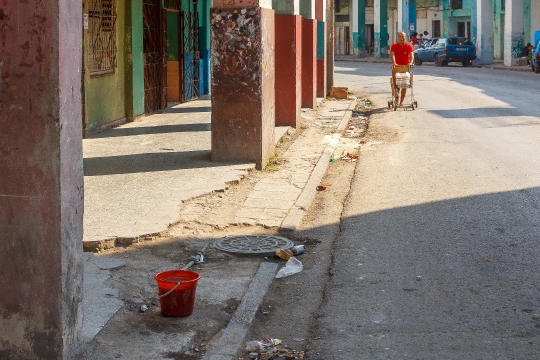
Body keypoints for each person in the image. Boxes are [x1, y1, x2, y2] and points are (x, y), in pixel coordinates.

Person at [391, 32, 414, 106]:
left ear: (405, 37)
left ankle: (401, 102)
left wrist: (410, 62)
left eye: (403, 36)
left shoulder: (408, 46)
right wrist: (394, 62)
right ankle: (396, 99)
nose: (402, 38)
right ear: (398, 37)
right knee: (396, 84)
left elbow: (411, 55)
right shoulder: (394, 46)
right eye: (400, 36)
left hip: (405, 67)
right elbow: (392, 54)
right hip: (397, 67)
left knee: (405, 85)